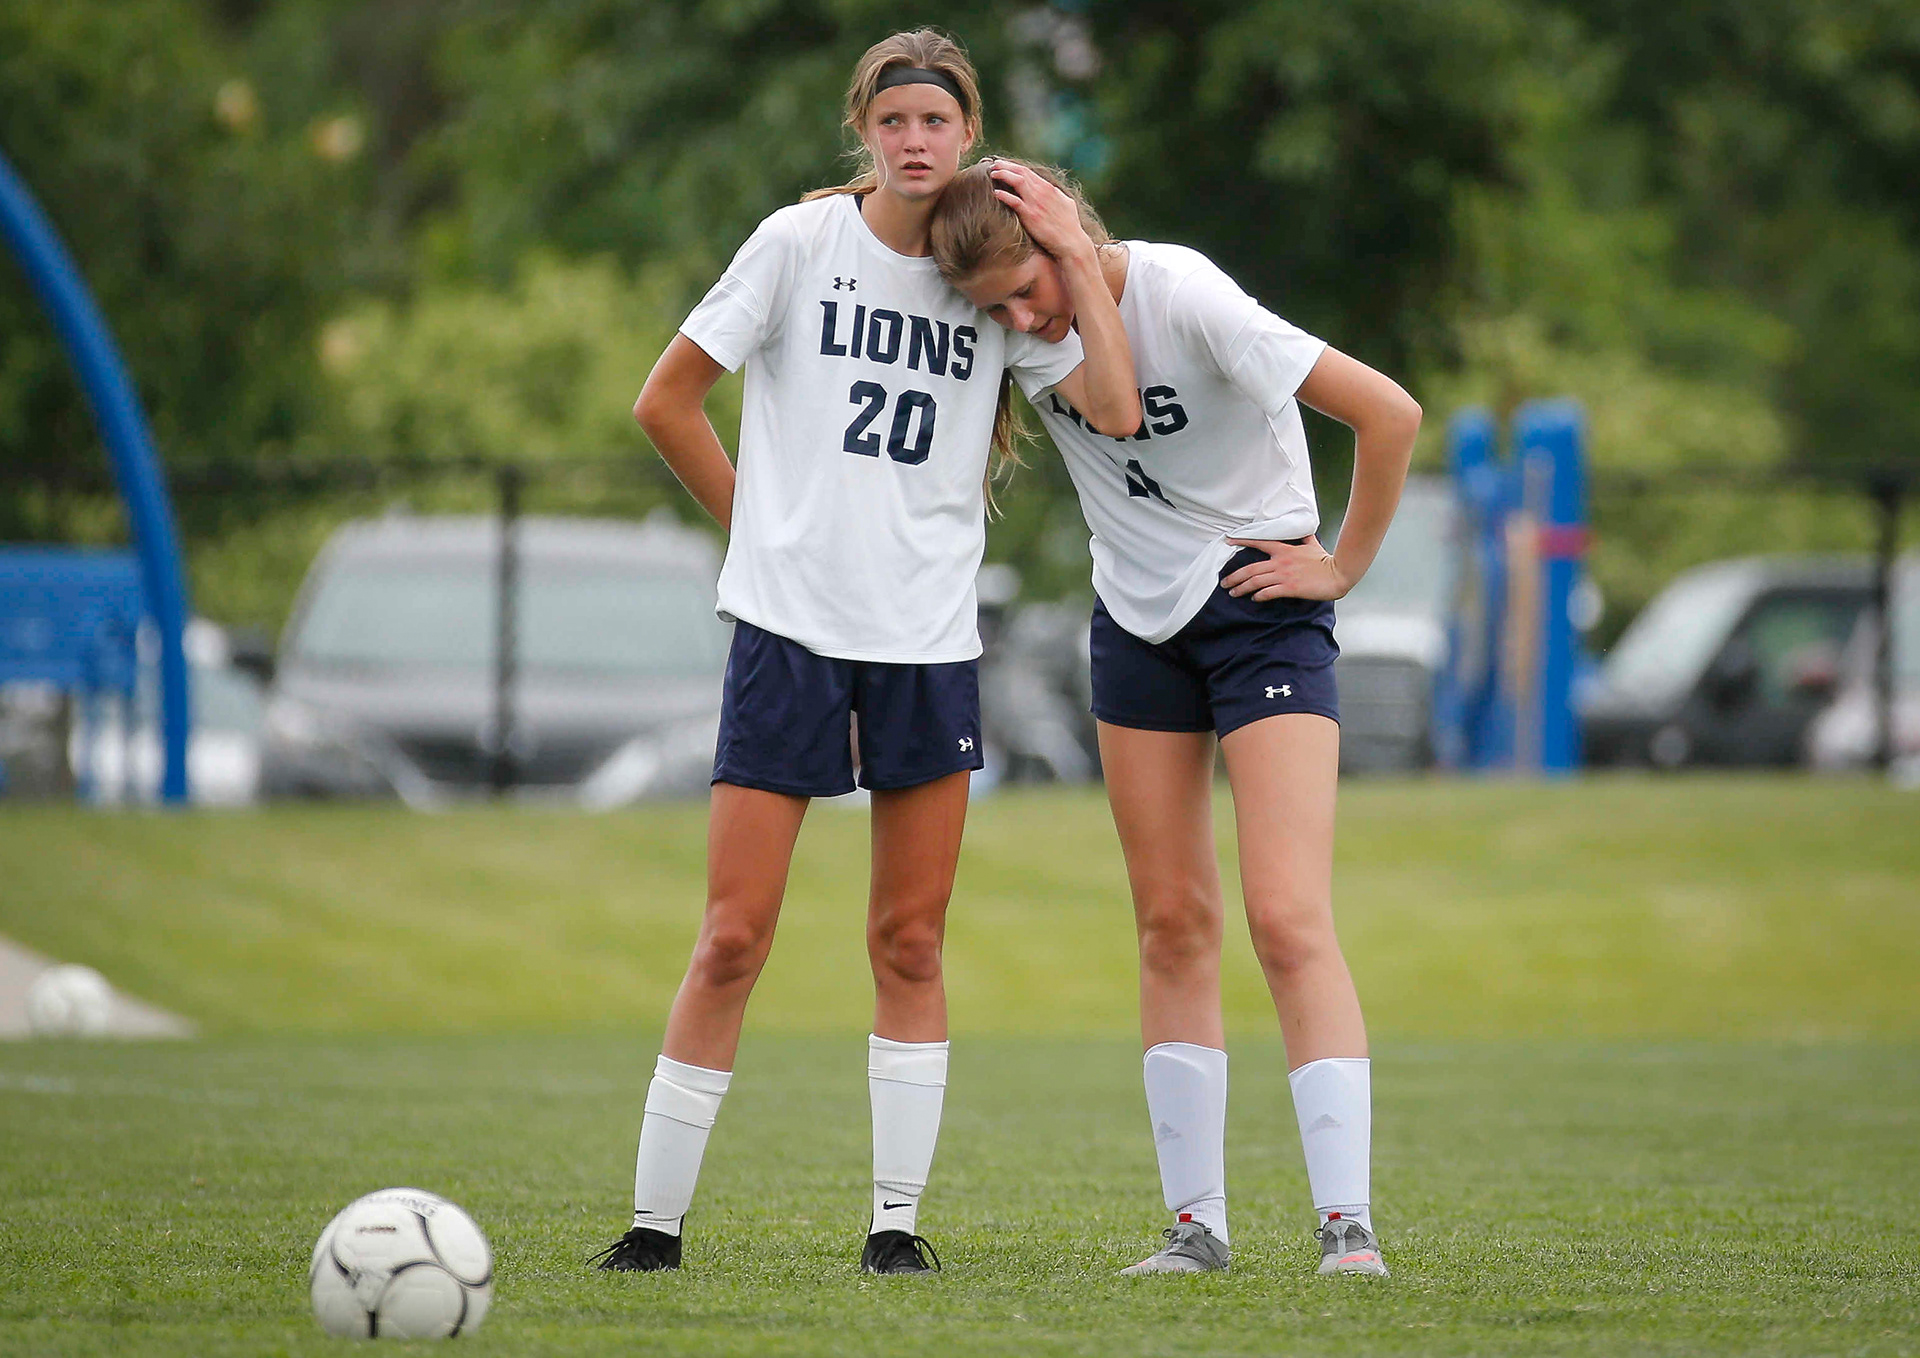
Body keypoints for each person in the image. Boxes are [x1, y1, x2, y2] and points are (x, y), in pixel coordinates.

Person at [591, 37, 1140, 1277]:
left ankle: (895, 1226)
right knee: (734, 934)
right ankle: (653, 1227)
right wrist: (764, 534)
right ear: (863, 128)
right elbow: (664, 399)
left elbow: (1111, 406)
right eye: (891, 117)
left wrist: (1069, 253)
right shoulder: (797, 244)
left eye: (935, 118)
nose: (913, 138)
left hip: (926, 644)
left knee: (910, 940)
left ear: (967, 131)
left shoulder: (990, 267)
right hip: (787, 635)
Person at [931, 159, 1420, 1277]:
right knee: (1170, 923)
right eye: (995, 307)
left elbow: (1390, 413)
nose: (1018, 319)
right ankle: (1196, 1226)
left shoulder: (1184, 292)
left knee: (1288, 915)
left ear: (1063, 234)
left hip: (1262, 616)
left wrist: (1341, 566)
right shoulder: (1026, 327)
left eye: (1026, 286)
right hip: (1135, 628)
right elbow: (1097, 395)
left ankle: (1348, 1228)